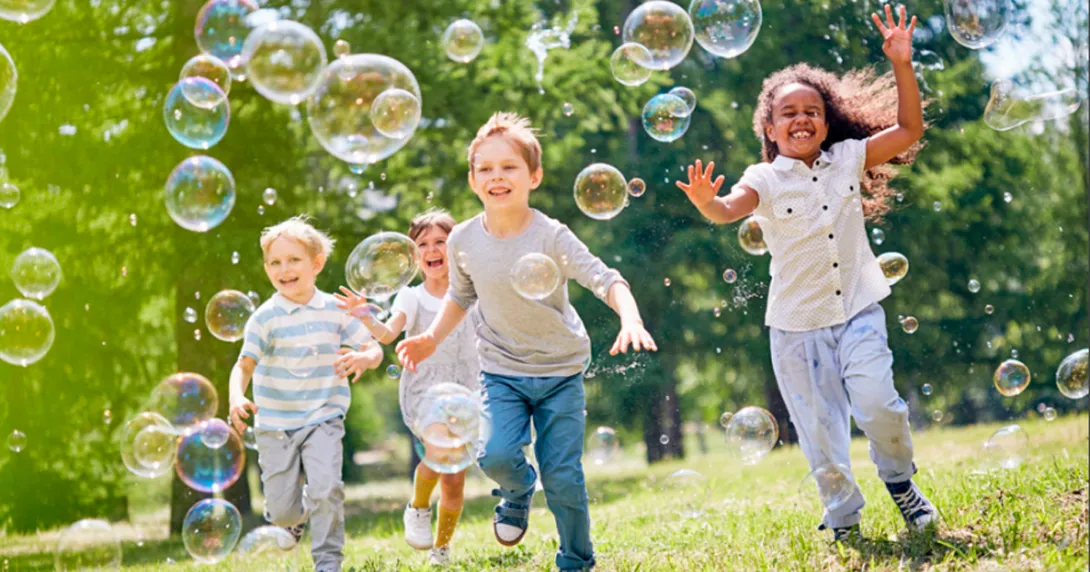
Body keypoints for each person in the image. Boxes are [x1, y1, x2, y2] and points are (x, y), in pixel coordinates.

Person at [676, 6, 937, 542]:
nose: (801, 119)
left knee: (880, 405)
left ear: (827, 118)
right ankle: (843, 521)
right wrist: (707, 202)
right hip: (797, 327)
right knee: (821, 438)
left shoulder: (848, 158)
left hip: (859, 308)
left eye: (812, 110)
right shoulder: (764, 179)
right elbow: (729, 210)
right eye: (788, 112)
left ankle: (901, 484)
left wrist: (901, 64)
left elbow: (910, 129)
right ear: (769, 128)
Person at [397, 112, 657, 570]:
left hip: (559, 370)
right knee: (494, 454)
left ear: (533, 176)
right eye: (486, 168)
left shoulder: (551, 235)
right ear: (473, 180)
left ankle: (576, 560)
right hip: (501, 369)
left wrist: (630, 318)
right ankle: (517, 493)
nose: (498, 177)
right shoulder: (462, 240)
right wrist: (429, 340)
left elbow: (605, 278)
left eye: (509, 167)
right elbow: (461, 294)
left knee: (563, 477)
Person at [227, 216, 384, 572]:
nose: (284, 269)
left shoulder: (335, 310)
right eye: (275, 262)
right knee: (281, 509)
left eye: (293, 260)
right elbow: (244, 366)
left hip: (323, 417)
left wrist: (366, 357)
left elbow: (373, 348)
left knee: (326, 488)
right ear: (266, 268)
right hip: (275, 424)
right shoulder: (264, 318)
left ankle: (328, 561)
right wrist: (237, 396)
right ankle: (293, 520)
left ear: (316, 264)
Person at [334, 209, 479, 567]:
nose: (432, 250)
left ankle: (441, 548)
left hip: (469, 389)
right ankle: (417, 507)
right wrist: (366, 316)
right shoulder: (411, 298)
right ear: (414, 256)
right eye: (423, 244)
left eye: (441, 242)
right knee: (438, 452)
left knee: (455, 481)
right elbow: (388, 333)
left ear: (456, 246)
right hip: (426, 388)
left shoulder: (474, 290)